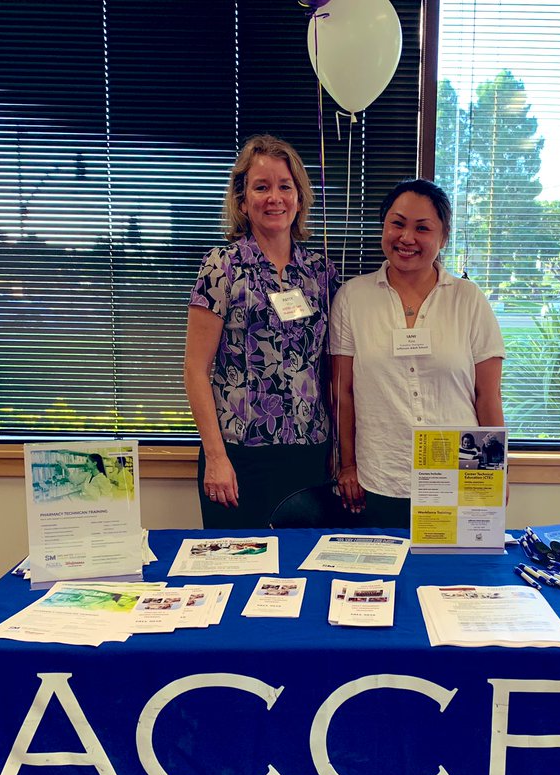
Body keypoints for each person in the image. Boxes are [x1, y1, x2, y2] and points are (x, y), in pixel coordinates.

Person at [331, 179, 505, 528]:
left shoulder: (468, 299)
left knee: (456, 581)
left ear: (442, 238)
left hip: (462, 472)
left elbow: (488, 395)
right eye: (397, 224)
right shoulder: (353, 297)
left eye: (422, 228)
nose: (406, 238)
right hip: (380, 475)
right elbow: (342, 393)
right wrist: (347, 464)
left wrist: (495, 473)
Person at [183, 135, 338, 528]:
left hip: (308, 453)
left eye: (285, 186)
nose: (275, 198)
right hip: (238, 456)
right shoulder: (222, 267)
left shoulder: (320, 272)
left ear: (299, 197)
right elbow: (195, 370)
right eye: (262, 187)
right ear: (242, 199)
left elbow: (332, 370)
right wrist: (216, 457)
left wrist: (339, 452)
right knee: (236, 573)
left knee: (303, 574)